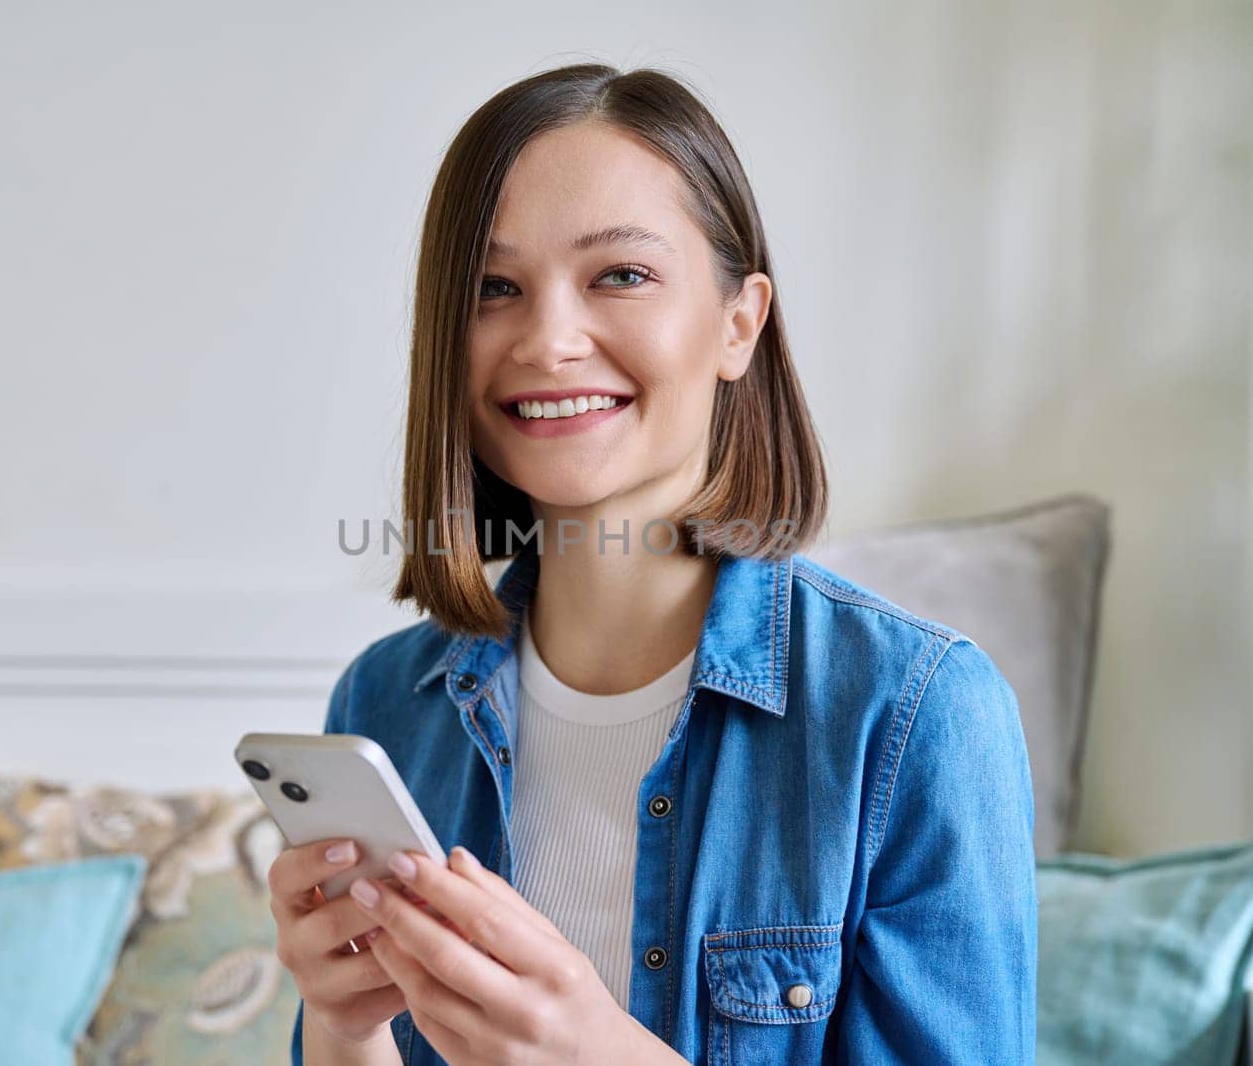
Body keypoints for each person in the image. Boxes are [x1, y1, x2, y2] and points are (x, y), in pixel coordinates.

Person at [267, 62, 1036, 1065]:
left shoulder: (913, 713)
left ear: (737, 322)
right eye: (493, 288)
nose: (547, 340)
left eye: (618, 276)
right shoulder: (385, 700)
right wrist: (341, 1019)